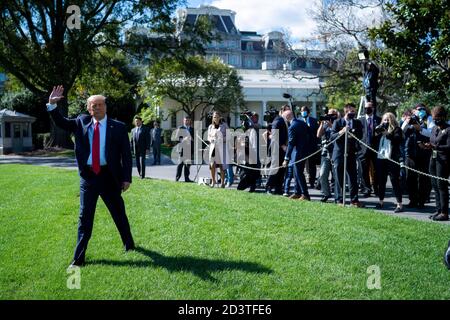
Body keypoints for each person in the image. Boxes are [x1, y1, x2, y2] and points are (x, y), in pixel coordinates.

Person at [46, 85, 135, 267]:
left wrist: (127, 178)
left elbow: (126, 155)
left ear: (105, 107)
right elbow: (62, 122)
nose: (97, 108)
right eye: (93, 105)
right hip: (89, 177)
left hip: (109, 176)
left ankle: (129, 245)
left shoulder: (118, 127)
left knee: (118, 213)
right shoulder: (81, 122)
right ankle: (78, 259)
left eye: (100, 104)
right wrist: (52, 105)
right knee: (85, 217)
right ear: (88, 108)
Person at [330, 103, 364, 207]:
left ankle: (354, 200)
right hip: (339, 153)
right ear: (346, 111)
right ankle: (339, 200)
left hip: (351, 153)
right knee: (339, 177)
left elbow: (360, 135)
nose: (352, 113)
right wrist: (342, 131)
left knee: (353, 177)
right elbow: (332, 137)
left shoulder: (357, 122)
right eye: (351, 111)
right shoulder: (337, 122)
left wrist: (353, 133)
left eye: (354, 111)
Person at [402, 105, 432, 208]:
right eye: (417, 110)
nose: (419, 111)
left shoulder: (428, 119)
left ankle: (422, 200)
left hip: (424, 153)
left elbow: (431, 134)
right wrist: (407, 121)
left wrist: (420, 129)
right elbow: (402, 131)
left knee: (423, 178)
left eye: (421, 109)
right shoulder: (410, 118)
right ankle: (412, 200)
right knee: (410, 178)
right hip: (410, 153)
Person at [374, 112, 404, 213]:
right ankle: (381, 201)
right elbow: (374, 141)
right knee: (381, 181)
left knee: (394, 181)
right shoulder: (380, 128)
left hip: (392, 158)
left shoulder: (397, 129)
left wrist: (388, 134)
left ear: (392, 120)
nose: (386, 121)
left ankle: (399, 204)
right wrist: (377, 132)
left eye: (388, 119)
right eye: (384, 119)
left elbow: (398, 140)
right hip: (381, 158)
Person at [424, 106, 450, 221]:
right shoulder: (434, 128)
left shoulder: (448, 129)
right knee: (434, 184)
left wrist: (435, 146)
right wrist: (426, 146)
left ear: (443, 117)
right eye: (434, 117)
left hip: (444, 161)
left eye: (438, 117)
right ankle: (438, 209)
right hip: (433, 159)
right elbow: (432, 141)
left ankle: (444, 212)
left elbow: (449, 146)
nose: (435, 120)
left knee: (441, 186)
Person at [283, 110, 310, 201]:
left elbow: (291, 144)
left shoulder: (292, 127)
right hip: (305, 150)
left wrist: (286, 158)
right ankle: (297, 192)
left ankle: (305, 194)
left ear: (287, 117)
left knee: (298, 173)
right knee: (296, 173)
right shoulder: (301, 122)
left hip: (298, 152)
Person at [358, 101, 381, 197]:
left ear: (373, 108)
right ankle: (367, 189)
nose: (367, 109)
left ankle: (376, 188)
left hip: (376, 149)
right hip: (363, 149)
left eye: (369, 107)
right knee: (364, 170)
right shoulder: (360, 120)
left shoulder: (379, 120)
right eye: (365, 107)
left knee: (376, 170)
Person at [266, 105, 290, 195]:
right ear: (282, 111)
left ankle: (278, 188)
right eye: (287, 111)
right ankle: (268, 187)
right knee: (274, 169)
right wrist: (282, 145)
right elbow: (274, 135)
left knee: (281, 170)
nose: (289, 114)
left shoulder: (286, 121)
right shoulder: (278, 120)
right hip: (276, 149)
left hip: (283, 150)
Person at [317, 108, 339, 202]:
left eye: (332, 115)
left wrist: (331, 126)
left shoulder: (339, 123)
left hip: (335, 152)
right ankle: (326, 193)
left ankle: (338, 196)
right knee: (322, 174)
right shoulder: (325, 124)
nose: (330, 116)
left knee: (337, 176)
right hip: (325, 153)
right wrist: (322, 124)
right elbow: (318, 135)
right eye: (329, 114)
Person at [300, 106, 320, 188]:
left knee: (312, 165)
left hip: (312, 146)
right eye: (302, 111)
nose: (303, 112)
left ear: (308, 112)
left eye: (304, 111)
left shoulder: (314, 121)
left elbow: (317, 133)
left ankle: (312, 181)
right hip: (301, 147)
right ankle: (302, 182)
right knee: (301, 165)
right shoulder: (298, 121)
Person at [208, 111, 227, 188]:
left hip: (221, 147)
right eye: (214, 117)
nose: (216, 118)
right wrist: (211, 140)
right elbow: (208, 137)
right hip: (213, 148)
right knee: (212, 165)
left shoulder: (224, 126)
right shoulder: (210, 127)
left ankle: (222, 183)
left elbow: (228, 136)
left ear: (220, 117)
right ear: (213, 118)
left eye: (217, 117)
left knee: (222, 166)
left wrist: (221, 139)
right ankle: (213, 181)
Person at [175, 116, 194, 182]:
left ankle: (187, 178)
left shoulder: (192, 129)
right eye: (186, 120)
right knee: (180, 164)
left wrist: (192, 139)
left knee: (187, 165)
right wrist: (183, 139)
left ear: (190, 121)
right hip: (182, 148)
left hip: (189, 149)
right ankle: (177, 177)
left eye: (188, 120)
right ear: (183, 121)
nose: (187, 122)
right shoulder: (180, 128)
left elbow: (194, 139)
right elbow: (177, 138)